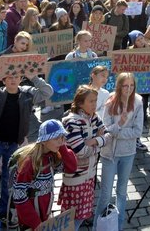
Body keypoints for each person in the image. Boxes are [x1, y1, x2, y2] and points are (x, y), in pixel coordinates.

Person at [0, 72, 55, 228]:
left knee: (9, 183)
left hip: (14, 145)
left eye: (16, 77)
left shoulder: (27, 95)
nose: (13, 80)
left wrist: (34, 78)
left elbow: (48, 92)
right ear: (4, 80)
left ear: (21, 79)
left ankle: (4, 215)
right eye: (9, 77)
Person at [95, 72, 144, 228]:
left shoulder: (138, 102)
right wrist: (121, 125)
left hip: (128, 153)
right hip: (109, 154)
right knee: (105, 194)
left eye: (131, 85)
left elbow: (137, 131)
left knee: (122, 192)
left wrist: (117, 133)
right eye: (125, 85)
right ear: (119, 86)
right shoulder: (110, 102)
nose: (129, 89)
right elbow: (105, 129)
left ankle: (118, 225)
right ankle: (98, 226)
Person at [12, 120, 78, 230]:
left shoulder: (52, 156)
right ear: (43, 141)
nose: (60, 141)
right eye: (56, 138)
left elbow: (71, 168)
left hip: (45, 212)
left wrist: (62, 147)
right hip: (30, 219)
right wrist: (36, 223)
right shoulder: (29, 163)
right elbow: (19, 196)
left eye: (62, 137)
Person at [61, 85, 106, 230]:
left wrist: (94, 141)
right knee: (74, 214)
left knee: (82, 212)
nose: (95, 104)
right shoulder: (72, 122)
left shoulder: (94, 116)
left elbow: (108, 135)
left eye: (96, 100)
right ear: (80, 103)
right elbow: (81, 151)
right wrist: (99, 142)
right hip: (76, 176)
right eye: (91, 101)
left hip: (90, 174)